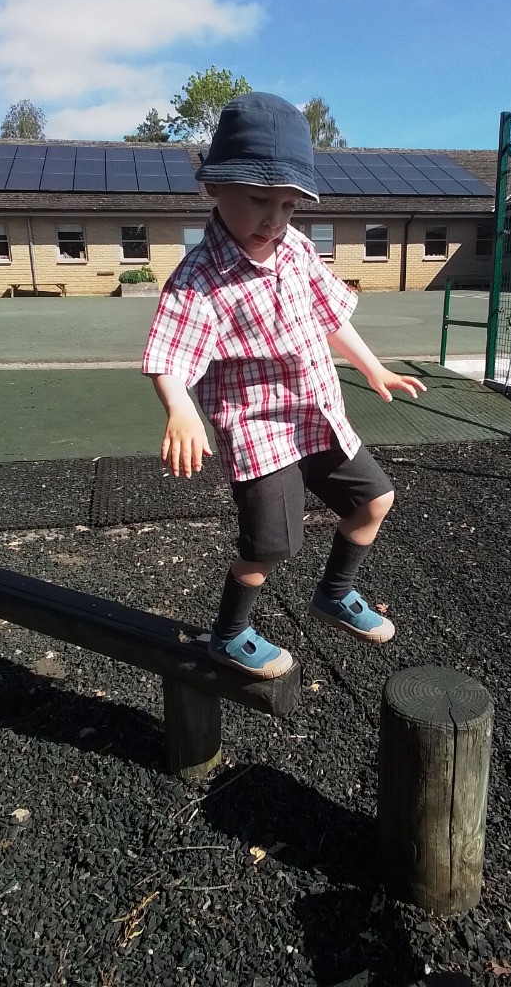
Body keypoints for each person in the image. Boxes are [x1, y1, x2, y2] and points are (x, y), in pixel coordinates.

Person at [143, 92, 426, 679]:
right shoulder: (200, 278)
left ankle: (335, 592)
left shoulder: (295, 248)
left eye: (288, 205)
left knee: (375, 500)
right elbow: (170, 354)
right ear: (213, 190)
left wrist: (372, 367)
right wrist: (180, 409)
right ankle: (230, 632)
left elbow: (330, 316)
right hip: (258, 430)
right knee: (271, 545)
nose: (273, 219)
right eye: (257, 201)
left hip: (315, 411)